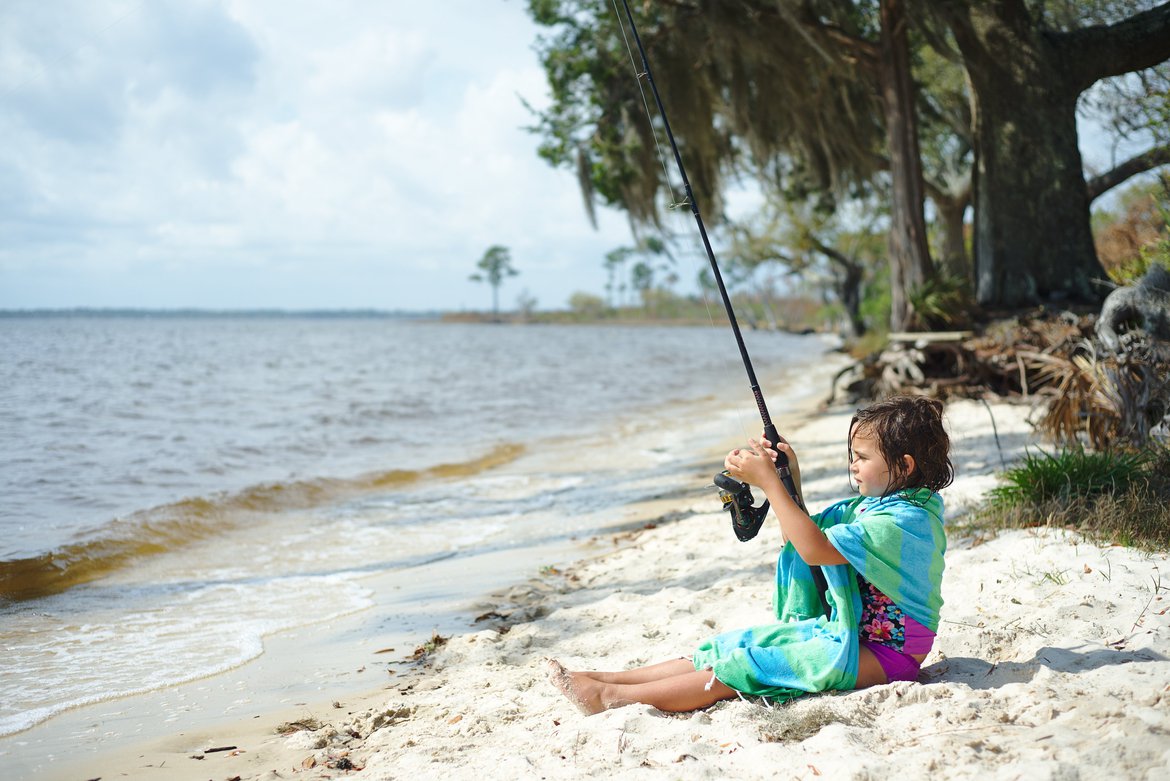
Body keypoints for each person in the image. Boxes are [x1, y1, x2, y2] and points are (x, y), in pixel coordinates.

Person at [548, 395, 954, 715]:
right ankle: (604, 678)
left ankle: (610, 698)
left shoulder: (905, 522)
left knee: (747, 668)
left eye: (862, 457)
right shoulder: (882, 507)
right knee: (731, 644)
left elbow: (813, 549)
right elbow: (803, 536)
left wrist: (769, 485)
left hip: (889, 656)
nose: (853, 466)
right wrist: (786, 476)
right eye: (852, 455)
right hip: (855, 637)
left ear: (903, 466)